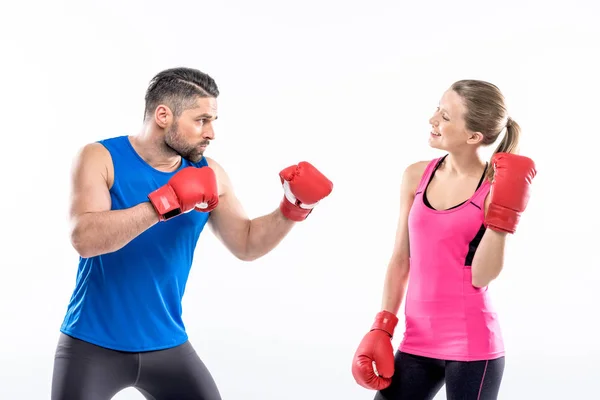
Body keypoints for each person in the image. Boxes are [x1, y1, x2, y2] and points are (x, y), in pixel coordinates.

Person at [51, 67, 333, 400]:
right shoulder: (101, 158)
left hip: (167, 343)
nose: (211, 133)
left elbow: (245, 243)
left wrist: (292, 208)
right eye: (201, 120)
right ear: (163, 115)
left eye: (213, 121)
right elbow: (84, 239)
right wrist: (165, 203)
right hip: (91, 343)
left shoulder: (209, 173)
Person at [351, 80, 537, 400]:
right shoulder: (415, 176)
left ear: (474, 136)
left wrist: (503, 221)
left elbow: (481, 275)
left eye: (446, 116)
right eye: (438, 108)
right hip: (417, 342)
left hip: (473, 346)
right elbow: (400, 259)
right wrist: (382, 325)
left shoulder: (494, 189)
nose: (432, 119)